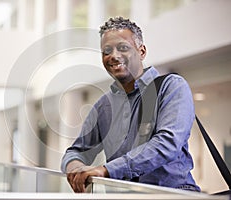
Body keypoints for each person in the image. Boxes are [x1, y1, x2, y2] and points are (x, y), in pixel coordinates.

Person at [61, 16, 201, 193]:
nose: (113, 56)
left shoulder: (171, 86)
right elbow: (76, 151)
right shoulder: (103, 106)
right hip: (123, 196)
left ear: (141, 51)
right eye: (106, 50)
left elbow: (167, 143)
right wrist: (75, 168)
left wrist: (107, 170)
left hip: (171, 195)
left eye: (123, 48)